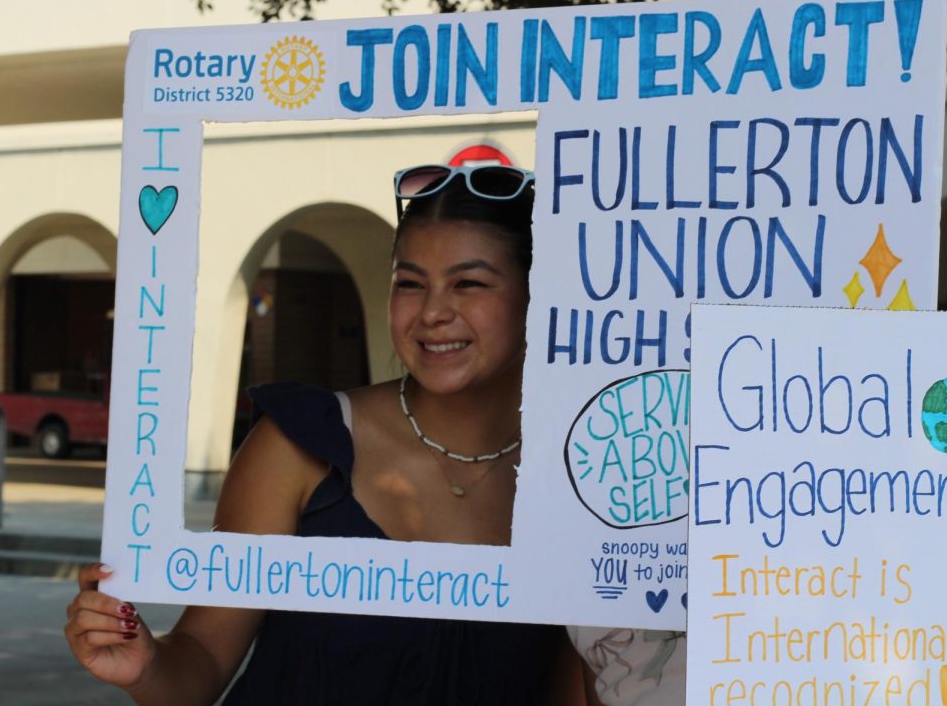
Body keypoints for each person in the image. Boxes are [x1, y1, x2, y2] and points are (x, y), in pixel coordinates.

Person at [64, 163, 585, 704]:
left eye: (468, 283)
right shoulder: (298, 445)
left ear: (539, 295)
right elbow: (201, 660)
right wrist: (144, 665)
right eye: (409, 283)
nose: (432, 312)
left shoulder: (585, 481)